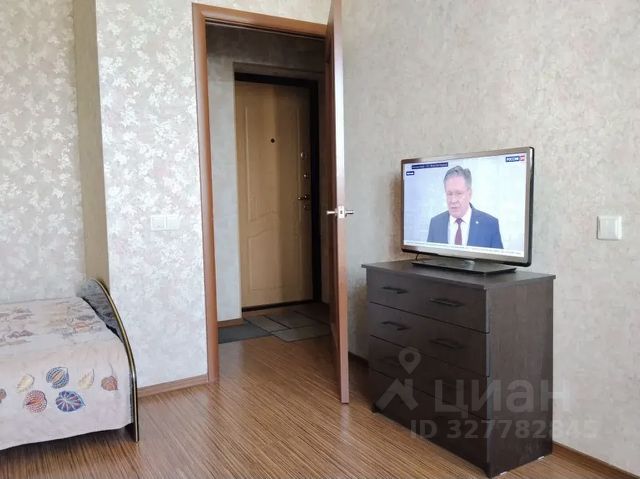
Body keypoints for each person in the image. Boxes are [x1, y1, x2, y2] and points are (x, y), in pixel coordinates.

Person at [427, 166, 503, 248]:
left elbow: (497, 256)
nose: (453, 200)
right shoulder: (435, 223)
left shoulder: (490, 224)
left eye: (458, 193)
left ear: (469, 194)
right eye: (449, 194)